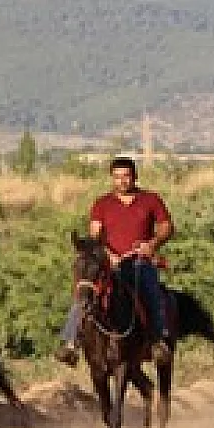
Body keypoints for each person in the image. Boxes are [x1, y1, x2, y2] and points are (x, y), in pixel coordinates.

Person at [55, 157, 174, 366]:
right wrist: (108, 255)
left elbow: (166, 227)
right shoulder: (102, 204)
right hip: (110, 264)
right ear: (112, 178)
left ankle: (158, 340)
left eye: (126, 176)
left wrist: (152, 244)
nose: (122, 181)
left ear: (134, 176)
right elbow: (95, 234)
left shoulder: (151, 199)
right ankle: (70, 342)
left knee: (151, 290)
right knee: (85, 292)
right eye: (117, 177)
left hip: (138, 261)